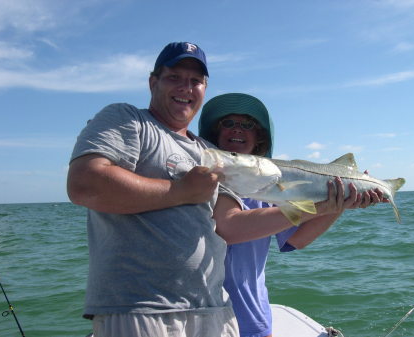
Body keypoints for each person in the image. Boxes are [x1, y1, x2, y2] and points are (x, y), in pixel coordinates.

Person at [67, 42, 382, 337]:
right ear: (153, 83)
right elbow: (84, 185)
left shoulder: (210, 158)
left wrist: (331, 205)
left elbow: (231, 224)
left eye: (195, 80)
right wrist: (179, 192)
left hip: (215, 309)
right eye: (174, 77)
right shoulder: (130, 121)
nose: (185, 87)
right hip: (143, 306)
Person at [198, 93, 385, 337]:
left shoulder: (267, 192)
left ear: (259, 139)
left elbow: (297, 239)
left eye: (248, 125)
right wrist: (322, 207)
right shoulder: (200, 186)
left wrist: (340, 204)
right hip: (211, 322)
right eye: (228, 123)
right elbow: (230, 227)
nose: (238, 130)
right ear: (215, 133)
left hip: (257, 320)